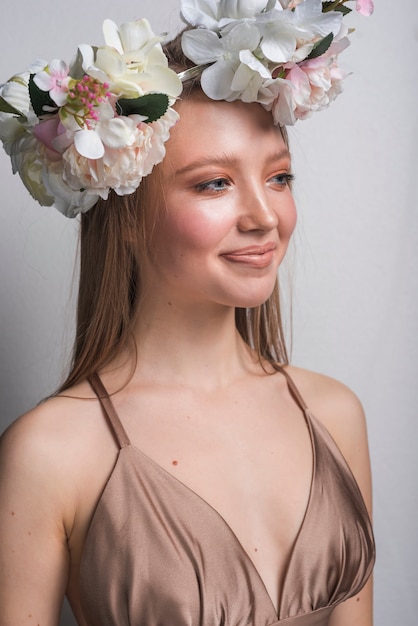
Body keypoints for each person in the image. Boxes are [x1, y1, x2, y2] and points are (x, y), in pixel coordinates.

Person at [0, 1, 375, 625]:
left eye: (279, 178)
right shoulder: (51, 451)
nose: (264, 217)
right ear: (123, 215)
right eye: (213, 184)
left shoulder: (335, 415)